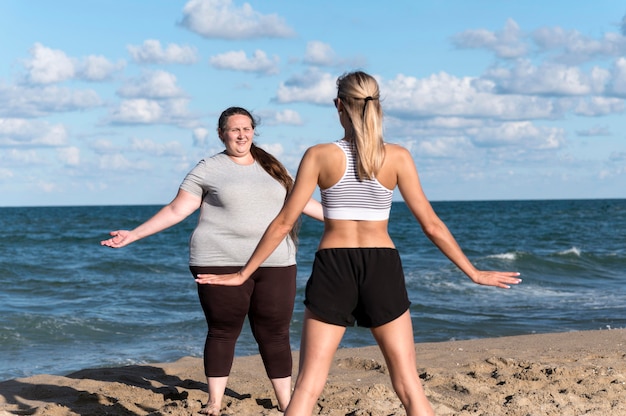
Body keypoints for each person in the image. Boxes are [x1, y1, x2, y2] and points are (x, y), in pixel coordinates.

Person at [195, 72, 522, 416]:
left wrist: (243, 273)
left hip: (333, 267)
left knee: (306, 388)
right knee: (409, 385)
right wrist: (473, 272)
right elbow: (432, 225)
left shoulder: (319, 155)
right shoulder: (397, 157)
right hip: (382, 266)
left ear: (338, 105)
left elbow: (283, 223)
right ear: (377, 106)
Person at [101, 106, 324, 415]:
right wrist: (134, 234)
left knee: (275, 333)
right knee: (223, 330)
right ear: (222, 134)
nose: (242, 134)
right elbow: (178, 209)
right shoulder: (208, 168)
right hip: (219, 260)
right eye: (235, 130)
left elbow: (301, 203)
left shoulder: (272, 167)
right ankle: (214, 402)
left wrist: (349, 222)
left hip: (275, 262)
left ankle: (287, 403)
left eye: (247, 128)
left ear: (253, 132)